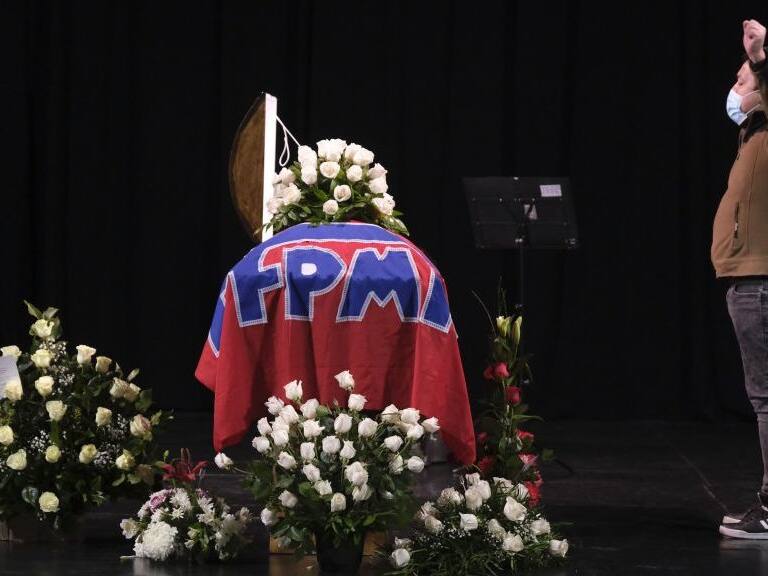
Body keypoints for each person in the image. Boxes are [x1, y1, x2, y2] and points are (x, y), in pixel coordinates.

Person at [715, 19, 768, 540]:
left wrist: (759, 55)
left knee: (767, 398)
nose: (733, 90)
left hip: (761, 280)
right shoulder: (752, 134)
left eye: (741, 80)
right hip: (750, 278)